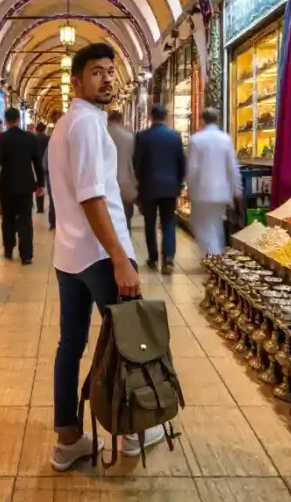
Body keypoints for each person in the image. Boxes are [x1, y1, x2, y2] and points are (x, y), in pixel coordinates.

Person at [47, 42, 164, 471]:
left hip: (70, 255)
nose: (107, 79)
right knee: (130, 341)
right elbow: (92, 196)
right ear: (77, 82)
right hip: (99, 254)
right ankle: (133, 433)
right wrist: (119, 258)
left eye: (110, 71)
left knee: (71, 345)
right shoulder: (86, 125)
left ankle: (68, 440)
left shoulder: (69, 124)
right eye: (96, 72)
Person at [133, 102, 185, 274]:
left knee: (150, 223)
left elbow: (137, 163)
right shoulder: (174, 136)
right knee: (168, 222)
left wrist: (139, 184)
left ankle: (153, 257)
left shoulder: (142, 137)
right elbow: (181, 162)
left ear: (151, 116)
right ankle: (168, 258)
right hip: (170, 187)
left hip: (148, 187)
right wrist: (179, 183)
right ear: (166, 117)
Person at [186, 108, 242, 255]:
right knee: (216, 226)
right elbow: (232, 167)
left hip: (202, 191)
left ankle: (213, 256)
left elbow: (192, 168)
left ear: (202, 120)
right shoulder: (225, 139)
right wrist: (237, 189)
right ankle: (215, 256)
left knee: (201, 226)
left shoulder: (196, 140)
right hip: (222, 192)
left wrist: (189, 188)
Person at [0, 107, 44, 264]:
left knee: (7, 218)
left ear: (6, 120)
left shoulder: (1, 138)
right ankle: (26, 255)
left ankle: (8, 250)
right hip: (25, 185)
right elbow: (37, 162)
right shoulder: (30, 138)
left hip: (6, 185)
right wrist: (40, 184)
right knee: (25, 219)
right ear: (18, 120)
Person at [107, 111, 138, 230]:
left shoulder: (103, 134)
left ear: (108, 120)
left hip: (106, 185)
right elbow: (135, 161)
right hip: (126, 184)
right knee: (125, 219)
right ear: (121, 121)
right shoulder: (130, 137)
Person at [35, 123, 50, 214]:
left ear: (37, 129)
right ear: (44, 130)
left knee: (39, 186)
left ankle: (39, 208)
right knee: (47, 186)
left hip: (37, 165)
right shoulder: (48, 139)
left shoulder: (34, 138)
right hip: (46, 165)